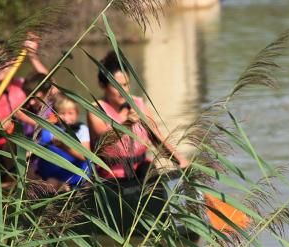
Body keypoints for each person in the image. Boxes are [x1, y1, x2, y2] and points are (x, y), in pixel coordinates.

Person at [87, 52, 188, 181]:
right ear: (103, 86)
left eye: (126, 84)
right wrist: (127, 124)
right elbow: (105, 138)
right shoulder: (95, 110)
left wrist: (180, 160)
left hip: (142, 171)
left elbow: (157, 139)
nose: (124, 91)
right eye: (117, 86)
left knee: (150, 171)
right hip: (111, 177)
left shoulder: (138, 105)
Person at [32, 95, 92, 191]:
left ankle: (64, 187)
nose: (66, 117)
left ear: (77, 114)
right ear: (56, 115)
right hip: (50, 174)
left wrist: (65, 147)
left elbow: (85, 156)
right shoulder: (50, 129)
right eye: (62, 113)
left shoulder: (81, 129)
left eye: (70, 113)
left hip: (74, 175)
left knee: (54, 185)